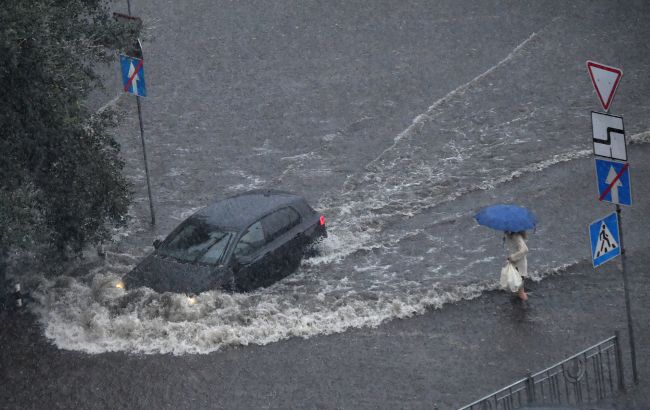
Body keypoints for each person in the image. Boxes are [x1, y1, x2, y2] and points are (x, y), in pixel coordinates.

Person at [505, 231, 528, 301]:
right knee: (519, 289)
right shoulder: (509, 235)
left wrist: (512, 257)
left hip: (520, 267)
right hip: (515, 265)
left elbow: (525, 250)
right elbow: (514, 248)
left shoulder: (516, 236)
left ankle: (525, 308)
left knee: (520, 292)